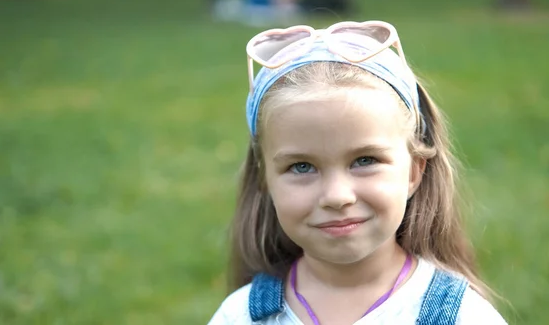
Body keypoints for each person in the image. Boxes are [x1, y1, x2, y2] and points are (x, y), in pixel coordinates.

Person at [208, 20, 508, 324]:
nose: (337, 196)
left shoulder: (463, 316)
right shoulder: (241, 316)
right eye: (301, 167)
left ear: (414, 172)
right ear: (265, 181)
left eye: (365, 161)